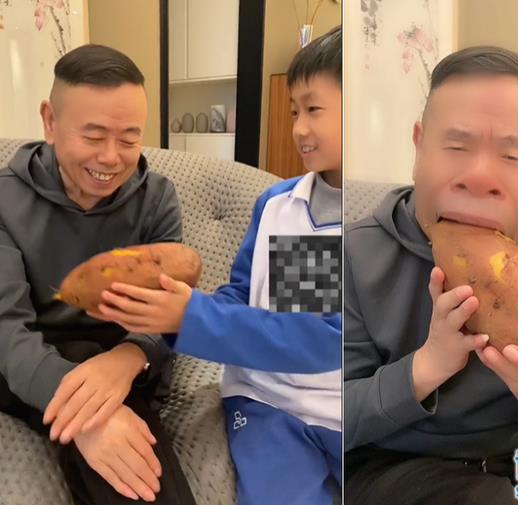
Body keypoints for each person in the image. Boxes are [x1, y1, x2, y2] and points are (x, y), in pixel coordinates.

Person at [343, 46, 518, 505]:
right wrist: (425, 368)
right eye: (457, 146)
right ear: (418, 147)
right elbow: (318, 411)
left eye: (511, 156)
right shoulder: (348, 252)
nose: (480, 176)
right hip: (396, 463)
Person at [89, 27, 343, 505]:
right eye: (294, 111)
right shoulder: (278, 205)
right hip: (269, 402)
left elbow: (320, 339)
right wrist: (182, 314)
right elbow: (244, 296)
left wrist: (193, 317)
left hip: (350, 404)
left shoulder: (375, 220)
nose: (298, 128)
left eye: (314, 109)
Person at [0, 44, 197, 505]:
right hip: (29, 361)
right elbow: (7, 329)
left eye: (129, 140)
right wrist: (86, 414)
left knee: (141, 473)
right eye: (93, 137)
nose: (111, 158)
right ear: (50, 121)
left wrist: (128, 357)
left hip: (120, 364)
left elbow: (168, 310)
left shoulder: (157, 199)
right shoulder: (5, 200)